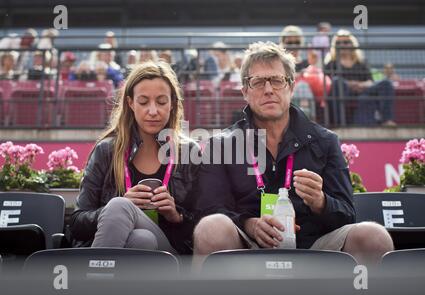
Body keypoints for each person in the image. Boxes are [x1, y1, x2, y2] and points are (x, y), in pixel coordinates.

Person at [193, 41, 393, 267]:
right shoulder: (220, 145)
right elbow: (207, 209)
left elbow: (348, 214)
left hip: (313, 245)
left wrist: (320, 201)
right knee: (212, 228)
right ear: (245, 92)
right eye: (258, 82)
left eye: (277, 80)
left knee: (373, 236)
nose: (268, 89)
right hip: (245, 244)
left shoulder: (326, 141)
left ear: (291, 87)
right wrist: (250, 224)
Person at [69, 61, 199, 255]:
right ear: (130, 103)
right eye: (143, 102)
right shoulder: (106, 151)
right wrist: (117, 211)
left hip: (170, 253)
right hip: (133, 246)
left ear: (172, 104)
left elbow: (206, 224)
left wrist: (176, 215)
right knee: (140, 237)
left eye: (162, 102)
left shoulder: (189, 151)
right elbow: (77, 223)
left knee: (122, 209)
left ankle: (93, 279)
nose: (153, 111)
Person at [324, 29, 396, 126]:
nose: (342, 45)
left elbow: (370, 81)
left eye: (346, 42)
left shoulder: (361, 63)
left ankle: (387, 120)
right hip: (344, 93)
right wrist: (350, 84)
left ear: (352, 44)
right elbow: (329, 83)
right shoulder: (331, 64)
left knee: (386, 83)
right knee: (338, 82)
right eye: (338, 42)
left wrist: (360, 85)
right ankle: (340, 123)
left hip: (363, 91)